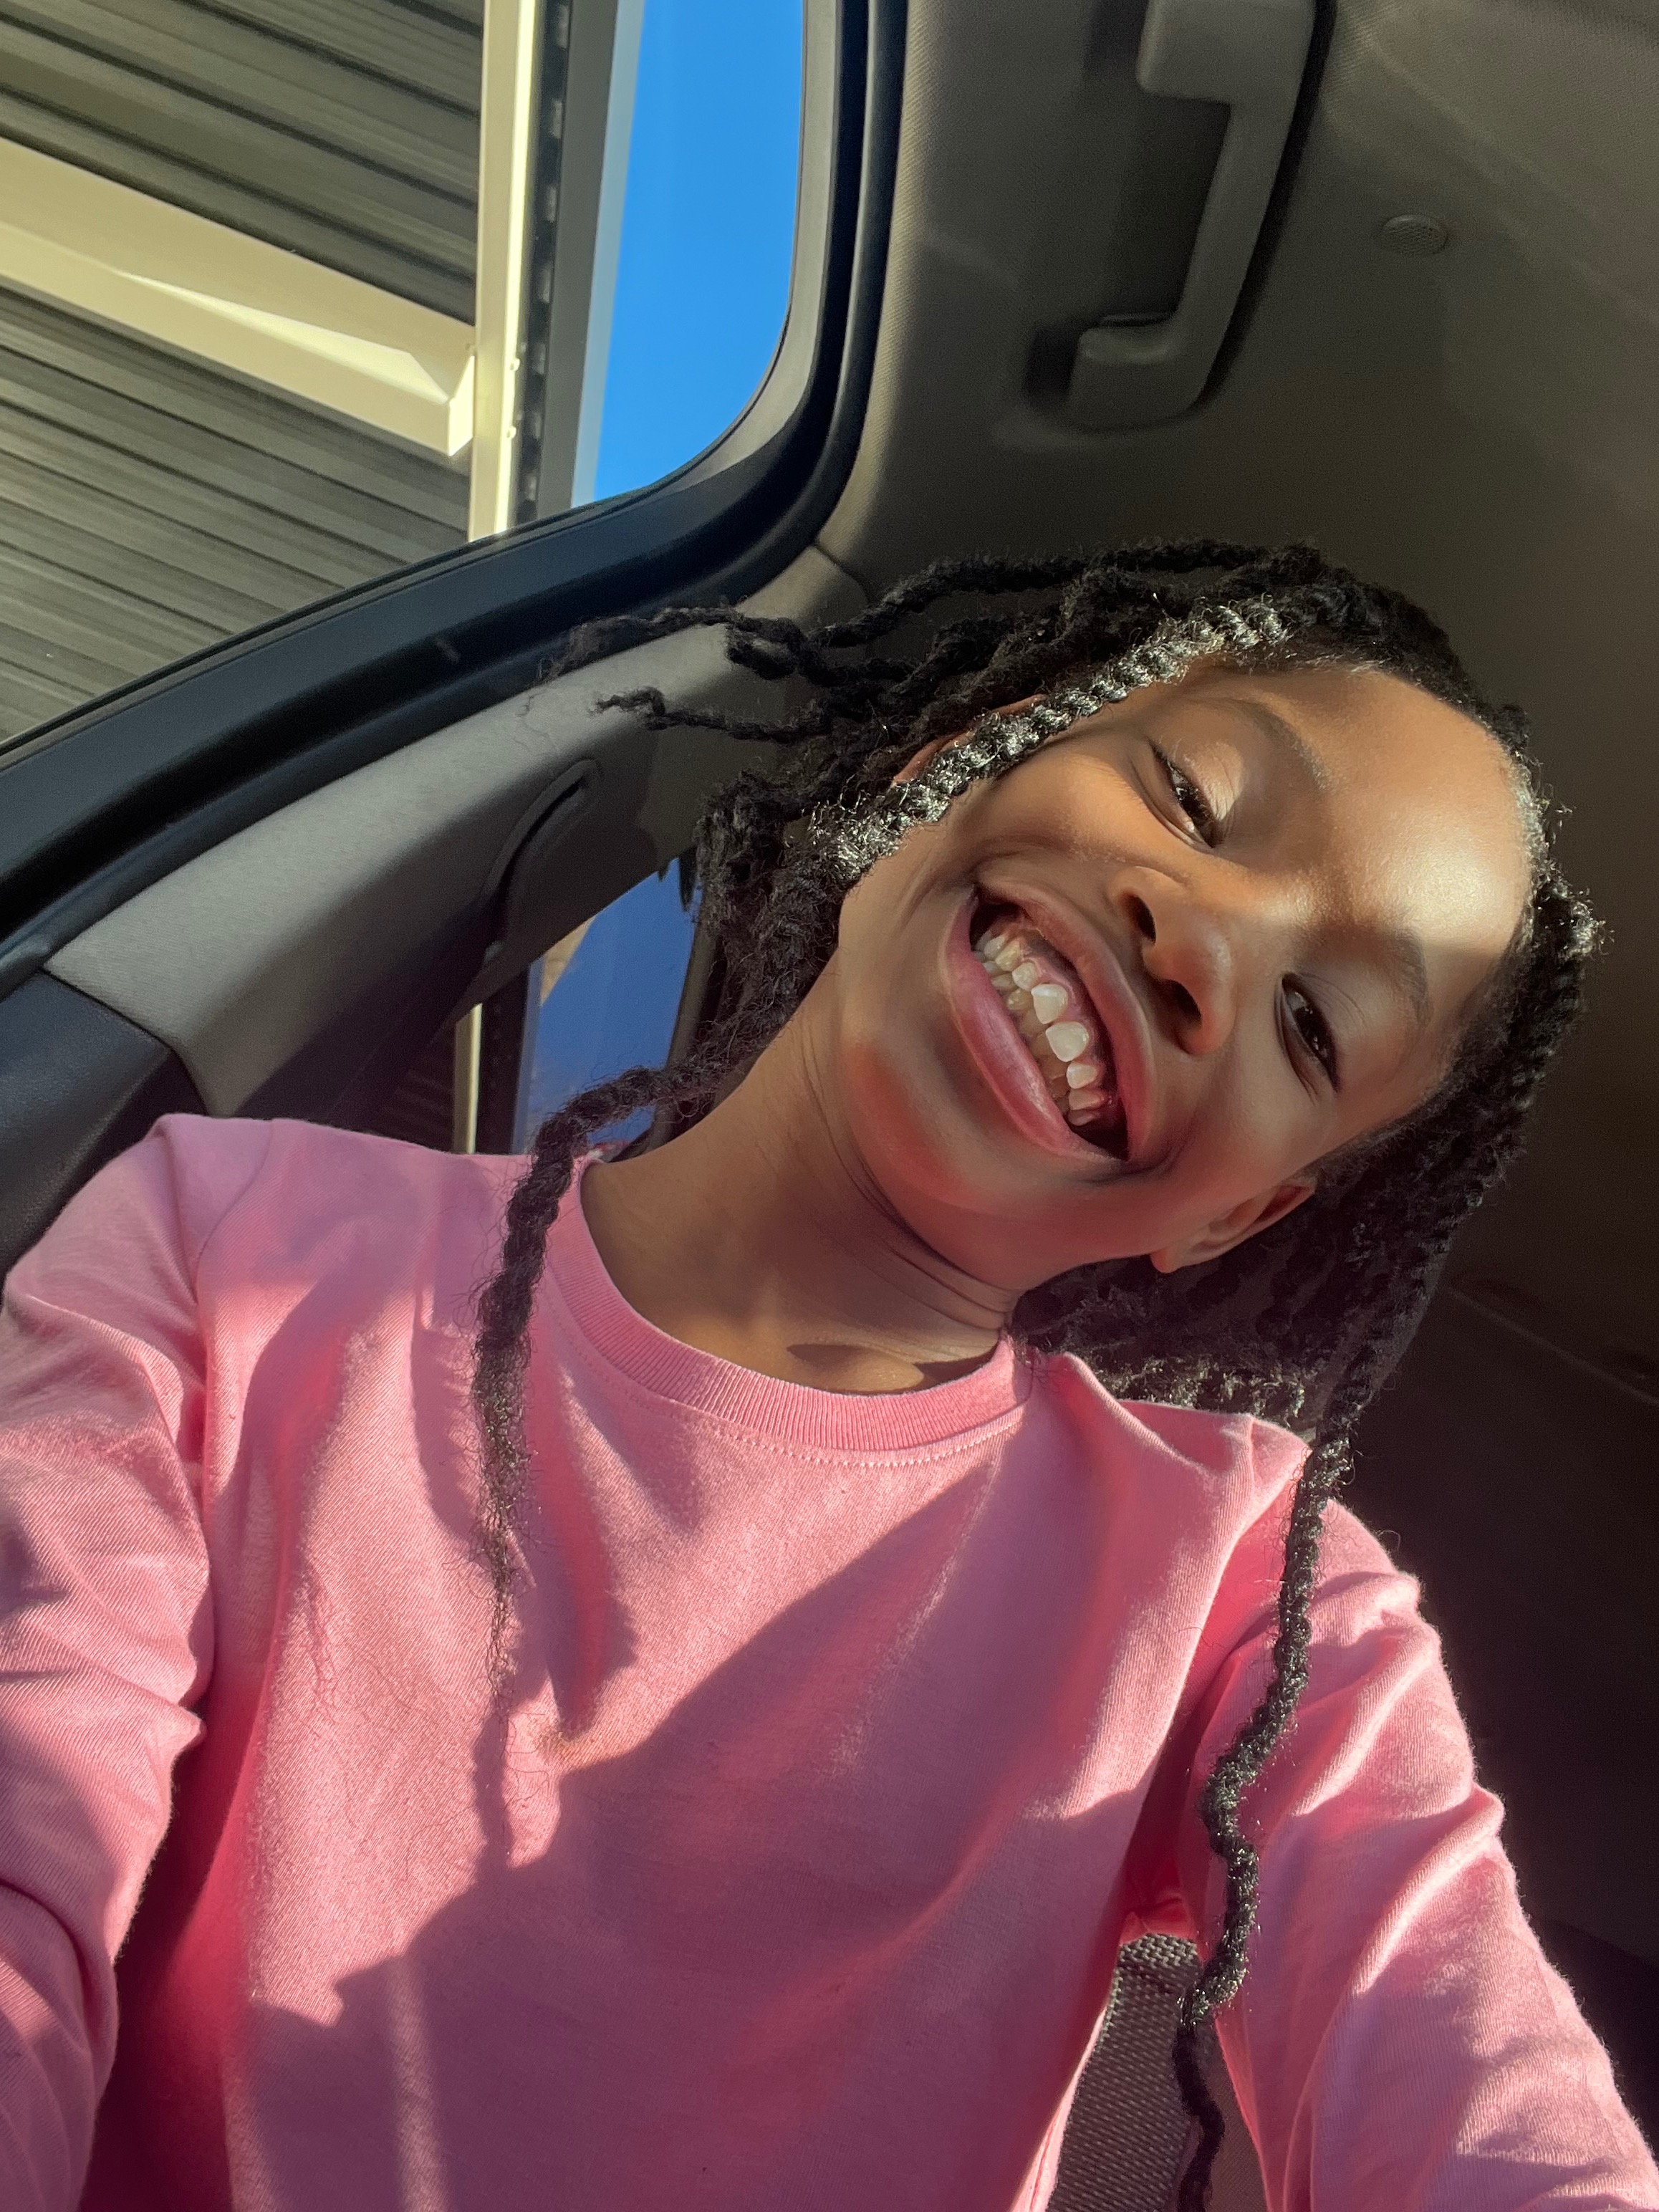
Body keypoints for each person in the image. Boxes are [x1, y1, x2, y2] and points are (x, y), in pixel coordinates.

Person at [0, 542, 1652, 2212]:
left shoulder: (1248, 1592)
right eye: (1196, 799)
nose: (1200, 939)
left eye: (1313, 1024)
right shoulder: (227, 1250)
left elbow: (1487, 2103)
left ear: (1235, 1213)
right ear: (969, 751)